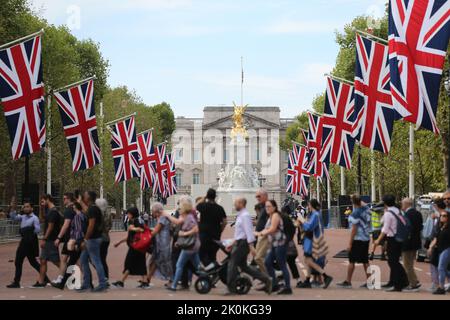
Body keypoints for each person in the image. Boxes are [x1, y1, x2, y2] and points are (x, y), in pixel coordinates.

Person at [226, 197, 272, 295]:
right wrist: (233, 242)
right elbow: (239, 232)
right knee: (244, 267)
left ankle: (231, 288)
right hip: (239, 242)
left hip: (242, 244)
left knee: (232, 264)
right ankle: (266, 279)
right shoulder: (241, 215)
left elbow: (248, 232)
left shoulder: (245, 216)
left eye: (236, 203)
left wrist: (251, 246)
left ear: (242, 204)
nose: (235, 205)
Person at [164, 196, 201, 292]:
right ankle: (206, 279)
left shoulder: (189, 217)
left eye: (181, 207)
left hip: (190, 246)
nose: (179, 208)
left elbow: (196, 229)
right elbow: (177, 221)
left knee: (179, 265)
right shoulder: (186, 216)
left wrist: (184, 233)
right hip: (191, 245)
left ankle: (174, 286)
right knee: (197, 266)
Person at [374, 194, 409, 292]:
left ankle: (399, 284)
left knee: (393, 262)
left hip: (392, 239)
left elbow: (384, 229)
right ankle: (394, 281)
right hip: (398, 238)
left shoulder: (388, 213)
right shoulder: (397, 211)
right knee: (394, 261)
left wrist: (377, 240)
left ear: (385, 203)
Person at [256, 200, 292, 294]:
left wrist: (260, 233)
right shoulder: (270, 216)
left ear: (274, 207)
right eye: (266, 207)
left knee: (282, 264)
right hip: (274, 244)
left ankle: (288, 287)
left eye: (269, 206)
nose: (267, 208)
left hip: (280, 243)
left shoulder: (275, 215)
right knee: (267, 262)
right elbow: (267, 228)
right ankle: (275, 283)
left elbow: (272, 229)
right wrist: (258, 232)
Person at [297, 199, 333, 289]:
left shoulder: (315, 215)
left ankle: (325, 276)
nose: (308, 207)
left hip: (314, 241)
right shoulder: (315, 214)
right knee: (308, 260)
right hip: (312, 240)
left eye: (308, 205)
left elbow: (309, 227)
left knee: (308, 260)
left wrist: (302, 220)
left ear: (310, 205)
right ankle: (307, 280)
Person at [337, 195, 371, 289]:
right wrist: (358, 199)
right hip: (366, 238)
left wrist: (350, 243)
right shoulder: (366, 210)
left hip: (357, 239)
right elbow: (364, 205)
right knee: (365, 260)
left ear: (353, 202)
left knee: (352, 260)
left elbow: (354, 230)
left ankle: (348, 281)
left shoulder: (354, 214)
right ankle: (370, 281)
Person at [77, 191, 108, 292]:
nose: (83, 196)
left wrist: (85, 239)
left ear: (89, 197)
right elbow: (87, 212)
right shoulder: (93, 208)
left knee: (96, 261)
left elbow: (91, 225)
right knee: (83, 260)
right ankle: (86, 284)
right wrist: (80, 202)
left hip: (92, 239)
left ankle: (102, 284)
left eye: (85, 195)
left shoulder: (93, 209)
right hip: (92, 238)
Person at [7, 202, 43, 288]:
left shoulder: (34, 218)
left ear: (32, 208)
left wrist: (26, 231)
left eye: (27, 207)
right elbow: (13, 218)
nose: (25, 208)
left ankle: (16, 282)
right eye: (24, 207)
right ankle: (44, 278)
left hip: (30, 241)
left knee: (21, 261)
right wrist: (12, 208)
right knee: (31, 262)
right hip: (24, 241)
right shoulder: (22, 217)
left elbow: (37, 230)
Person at [112, 207, 149, 289]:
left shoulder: (135, 221)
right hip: (139, 246)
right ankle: (145, 281)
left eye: (128, 214)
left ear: (132, 214)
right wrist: (119, 242)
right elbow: (130, 237)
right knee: (140, 264)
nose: (127, 215)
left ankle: (121, 281)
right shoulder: (138, 220)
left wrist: (133, 228)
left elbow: (141, 230)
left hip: (135, 247)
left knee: (129, 263)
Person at [53, 201, 87, 290]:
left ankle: (86, 281)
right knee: (73, 262)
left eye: (73, 206)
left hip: (76, 242)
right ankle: (64, 283)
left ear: (76, 207)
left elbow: (78, 231)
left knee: (73, 262)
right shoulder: (82, 216)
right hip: (78, 241)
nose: (72, 207)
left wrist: (76, 242)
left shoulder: (77, 217)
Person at [32, 195, 62, 288]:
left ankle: (69, 274)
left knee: (56, 261)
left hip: (50, 240)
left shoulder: (53, 211)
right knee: (43, 260)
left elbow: (50, 226)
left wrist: (44, 239)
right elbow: (42, 219)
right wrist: (41, 209)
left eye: (43, 201)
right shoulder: (49, 211)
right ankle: (41, 281)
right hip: (48, 239)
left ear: (48, 199)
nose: (41, 203)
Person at [197, 188, 227, 267]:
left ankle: (212, 268)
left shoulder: (203, 206)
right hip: (216, 234)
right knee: (212, 255)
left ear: (207, 196)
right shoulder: (220, 208)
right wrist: (221, 230)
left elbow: (197, 205)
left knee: (201, 254)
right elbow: (225, 221)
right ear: (215, 196)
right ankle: (213, 268)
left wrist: (204, 197)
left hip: (204, 235)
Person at [52, 193, 76, 286]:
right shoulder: (74, 209)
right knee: (65, 258)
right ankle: (63, 278)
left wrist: (59, 237)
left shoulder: (68, 210)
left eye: (65, 198)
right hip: (72, 237)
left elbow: (66, 224)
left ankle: (63, 278)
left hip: (69, 238)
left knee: (71, 259)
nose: (63, 200)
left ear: (69, 199)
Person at [147, 202, 173, 286]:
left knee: (165, 262)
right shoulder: (161, 217)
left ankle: (172, 279)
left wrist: (145, 235)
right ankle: (148, 279)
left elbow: (155, 231)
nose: (152, 213)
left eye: (153, 211)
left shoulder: (162, 218)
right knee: (154, 261)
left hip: (163, 243)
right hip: (161, 243)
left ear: (156, 211)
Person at [401, 198, 423, 292]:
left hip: (408, 242)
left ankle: (413, 284)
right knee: (410, 263)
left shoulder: (407, 215)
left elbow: (406, 229)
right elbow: (420, 226)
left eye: (402, 203)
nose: (402, 205)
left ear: (406, 204)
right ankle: (415, 280)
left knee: (407, 264)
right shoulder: (418, 213)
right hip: (416, 241)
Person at [427, 205, 450, 295]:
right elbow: (436, 239)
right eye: (441, 215)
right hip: (441, 249)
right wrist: (430, 247)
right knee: (444, 269)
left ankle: (441, 287)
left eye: (444, 216)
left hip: (447, 249)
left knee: (441, 268)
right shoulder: (441, 227)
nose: (442, 217)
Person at [254, 189, 270, 274]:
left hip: (265, 236)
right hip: (260, 236)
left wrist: (263, 232)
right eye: (256, 196)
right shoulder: (262, 207)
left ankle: (270, 276)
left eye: (259, 196)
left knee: (258, 258)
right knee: (260, 257)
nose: (257, 198)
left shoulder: (268, 206)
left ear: (265, 196)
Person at [97, 198, 112, 281]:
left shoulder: (99, 214)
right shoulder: (108, 214)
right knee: (103, 259)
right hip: (106, 237)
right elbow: (110, 226)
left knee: (97, 259)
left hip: (99, 238)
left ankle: (103, 276)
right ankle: (105, 276)